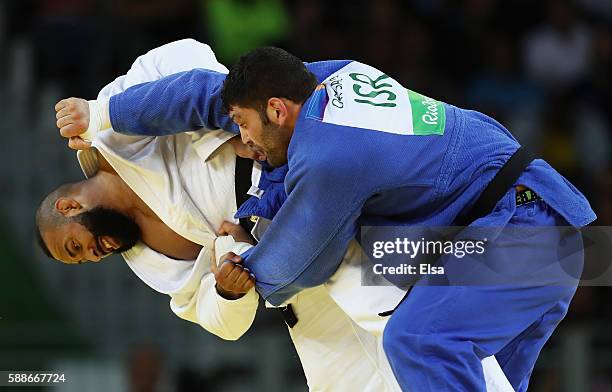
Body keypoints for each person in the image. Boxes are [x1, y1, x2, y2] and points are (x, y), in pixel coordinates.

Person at [63, 46, 596, 391]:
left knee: (418, 340)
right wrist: (103, 115)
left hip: (526, 236)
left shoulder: (330, 159)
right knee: (481, 373)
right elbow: (206, 96)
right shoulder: (328, 78)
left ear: (276, 110)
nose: (240, 141)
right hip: (510, 229)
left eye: (244, 127)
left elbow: (301, 266)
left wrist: (240, 252)